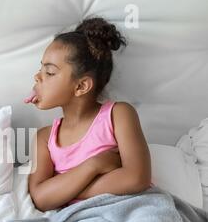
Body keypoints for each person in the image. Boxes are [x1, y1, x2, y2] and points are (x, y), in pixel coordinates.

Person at [26, 17, 151, 211]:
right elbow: (41, 199)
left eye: (49, 72)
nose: (37, 76)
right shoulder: (43, 139)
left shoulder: (118, 115)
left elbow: (136, 178)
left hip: (129, 210)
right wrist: (95, 164)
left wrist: (63, 189)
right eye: (40, 68)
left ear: (81, 86)